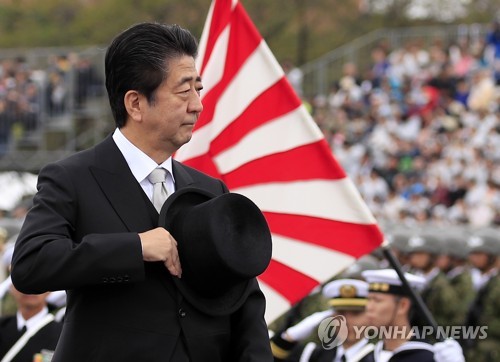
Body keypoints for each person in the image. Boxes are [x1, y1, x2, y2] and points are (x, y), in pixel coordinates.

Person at [10, 22, 272, 362]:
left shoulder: (209, 190)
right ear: (135, 103)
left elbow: (245, 305)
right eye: (183, 92)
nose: (197, 105)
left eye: (198, 89)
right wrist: (136, 247)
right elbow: (31, 265)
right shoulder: (70, 178)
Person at [361, 268, 465, 362]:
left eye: (377, 300)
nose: (369, 307)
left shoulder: (427, 357)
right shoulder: (368, 356)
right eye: (369, 300)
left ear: (403, 305)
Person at [270, 278, 374, 362]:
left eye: (356, 313)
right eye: (341, 313)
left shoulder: (378, 356)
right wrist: (289, 338)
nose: (346, 321)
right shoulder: (311, 354)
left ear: (371, 316)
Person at [0, 284, 62, 362]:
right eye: (24, 283)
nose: (30, 289)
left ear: (49, 291)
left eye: (37, 283)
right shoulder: (2, 326)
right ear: (11, 288)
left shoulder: (62, 334)